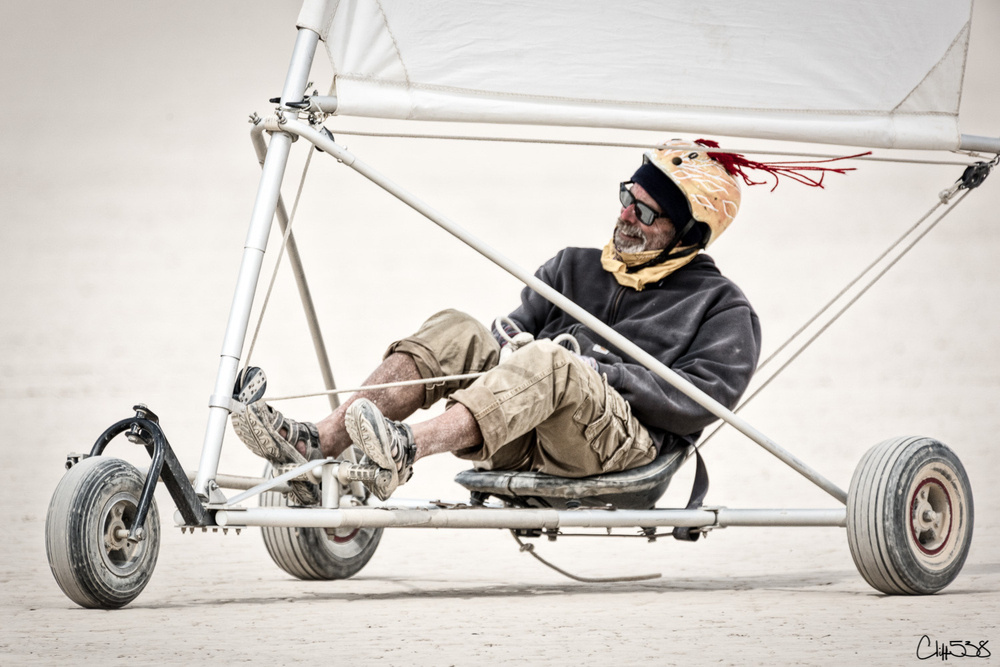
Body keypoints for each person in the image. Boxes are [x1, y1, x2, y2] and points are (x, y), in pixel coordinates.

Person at [231, 140, 762, 505]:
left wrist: (599, 370)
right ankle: (318, 444)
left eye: (646, 212)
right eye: (627, 197)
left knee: (554, 359)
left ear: (687, 233)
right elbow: (511, 327)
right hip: (522, 423)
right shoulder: (574, 265)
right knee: (459, 327)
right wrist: (515, 345)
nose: (626, 215)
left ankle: (406, 448)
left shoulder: (721, 308)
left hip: (618, 454)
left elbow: (698, 404)